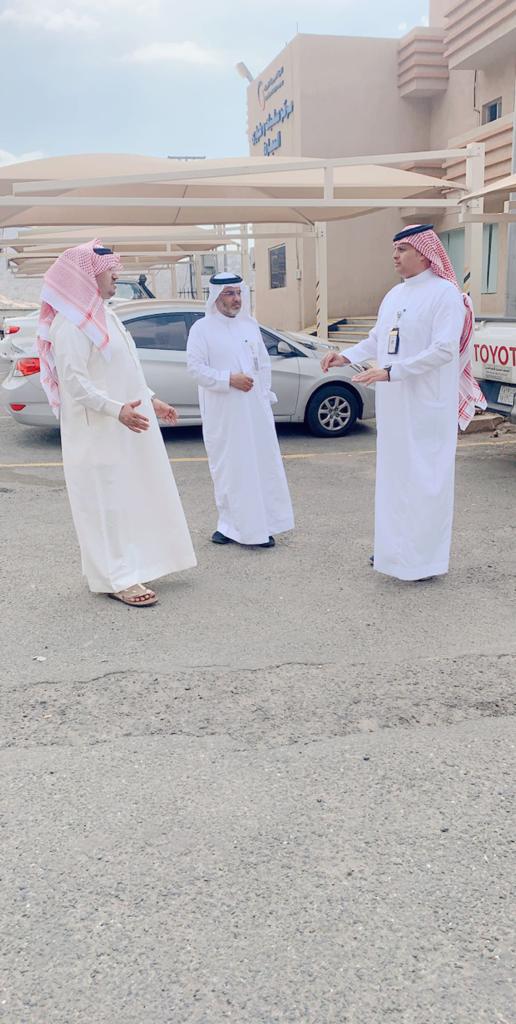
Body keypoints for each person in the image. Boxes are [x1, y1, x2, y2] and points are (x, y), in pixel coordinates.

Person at [321, 224, 486, 582]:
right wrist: (345, 356)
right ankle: (393, 549)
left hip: (427, 406)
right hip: (395, 405)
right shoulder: (394, 295)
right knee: (395, 478)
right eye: (394, 249)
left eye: (402, 249)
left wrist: (392, 372)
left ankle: (423, 560)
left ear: (425, 254)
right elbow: (377, 339)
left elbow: (444, 349)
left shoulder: (445, 294)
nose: (394, 256)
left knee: (425, 479)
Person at [37, 239, 196, 606]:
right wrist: (116, 410)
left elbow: (126, 368)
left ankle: (131, 567)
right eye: (109, 271)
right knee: (104, 504)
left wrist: (151, 399)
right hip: (96, 431)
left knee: (127, 499)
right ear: (87, 277)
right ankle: (115, 578)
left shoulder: (105, 315)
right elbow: (75, 382)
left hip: (120, 425)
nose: (115, 276)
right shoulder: (70, 324)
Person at [186, 272, 294, 547]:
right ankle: (229, 526)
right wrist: (228, 379)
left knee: (260, 466)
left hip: (255, 412)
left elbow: (264, 364)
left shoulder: (250, 326)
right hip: (224, 414)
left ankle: (262, 526)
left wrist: (264, 396)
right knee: (230, 469)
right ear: (216, 297)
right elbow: (195, 369)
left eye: (238, 293)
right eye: (229, 294)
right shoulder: (202, 329)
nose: (236, 299)